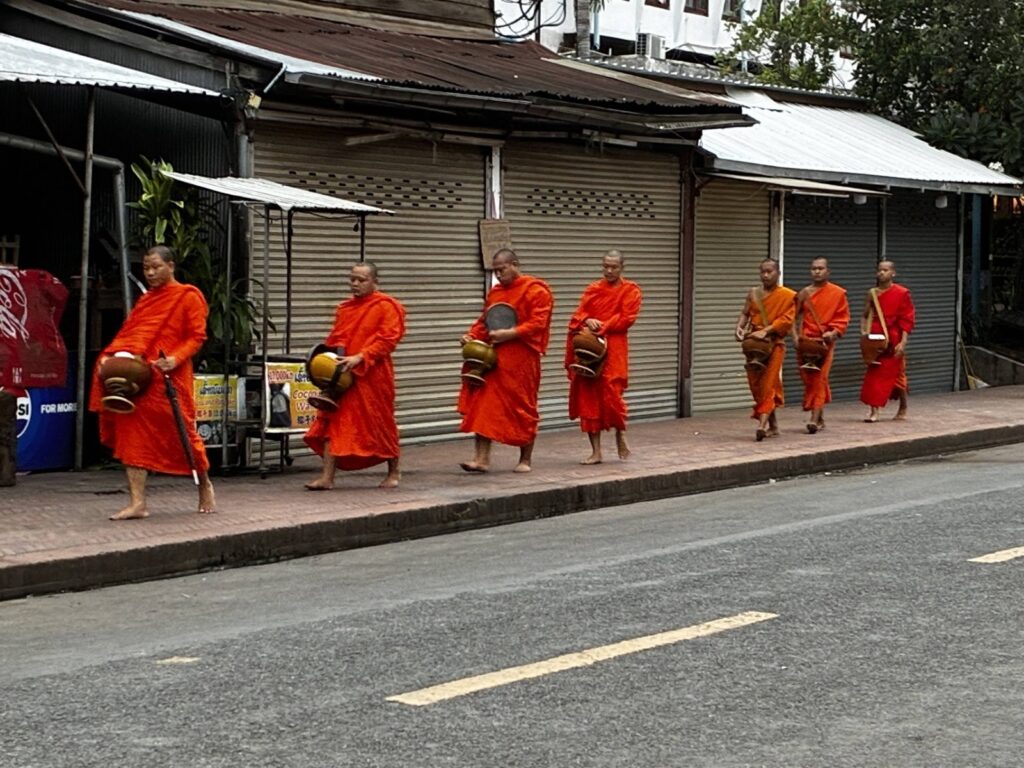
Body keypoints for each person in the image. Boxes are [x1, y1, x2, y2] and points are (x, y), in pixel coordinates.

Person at [88, 245, 215, 520]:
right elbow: (128, 336)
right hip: (139, 378)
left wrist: (175, 358)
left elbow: (197, 336)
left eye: (156, 267)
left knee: (184, 435)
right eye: (146, 268)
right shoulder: (146, 301)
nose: (150, 273)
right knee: (133, 435)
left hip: (170, 376)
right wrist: (109, 357)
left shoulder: (188, 296)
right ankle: (138, 503)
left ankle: (204, 485)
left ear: (171, 266)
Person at [304, 262, 406, 489]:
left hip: (373, 375)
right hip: (343, 375)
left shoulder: (387, 306)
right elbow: (335, 338)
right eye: (353, 279)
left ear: (375, 282)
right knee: (333, 421)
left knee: (381, 423)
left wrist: (361, 357)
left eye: (362, 280)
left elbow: (388, 339)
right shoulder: (345, 309)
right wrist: (326, 362)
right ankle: (327, 477)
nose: (356, 284)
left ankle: (394, 471)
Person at [458, 248, 553, 473]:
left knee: (523, 407)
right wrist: (470, 336)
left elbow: (538, 322)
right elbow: (485, 321)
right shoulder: (496, 292)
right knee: (483, 405)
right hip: (494, 358)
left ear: (515, 265)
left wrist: (510, 333)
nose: (499, 275)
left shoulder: (536, 290)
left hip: (522, 358)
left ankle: (525, 459)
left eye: (502, 269)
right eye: (496, 271)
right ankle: (481, 459)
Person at [565, 249, 642, 464]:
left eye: (613, 267)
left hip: (615, 347)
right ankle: (595, 451)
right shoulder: (593, 289)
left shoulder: (631, 290)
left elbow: (627, 318)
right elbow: (578, 314)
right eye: (605, 266)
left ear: (622, 268)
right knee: (588, 397)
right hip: (591, 350)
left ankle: (619, 431)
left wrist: (604, 326)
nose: (609, 270)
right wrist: (587, 320)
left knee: (612, 393)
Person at [735, 258, 796, 441]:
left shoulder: (787, 295)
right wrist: (739, 328)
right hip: (754, 346)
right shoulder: (753, 293)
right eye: (763, 272)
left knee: (768, 384)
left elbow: (787, 319)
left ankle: (762, 426)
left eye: (770, 271)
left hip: (774, 344)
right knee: (756, 385)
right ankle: (774, 425)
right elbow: (745, 313)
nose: (766, 275)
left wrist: (766, 331)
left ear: (778, 273)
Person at [793, 257, 850, 434]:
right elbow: (793, 318)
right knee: (809, 380)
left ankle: (813, 419)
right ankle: (820, 416)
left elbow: (843, 318)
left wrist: (833, 333)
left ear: (828, 272)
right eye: (813, 268)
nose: (817, 271)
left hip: (825, 344)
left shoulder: (838, 293)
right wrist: (795, 338)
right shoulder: (803, 293)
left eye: (820, 268)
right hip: (806, 343)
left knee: (820, 378)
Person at [860, 259, 915, 422]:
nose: (881, 273)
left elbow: (907, 319)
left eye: (885, 270)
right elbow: (865, 315)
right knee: (874, 374)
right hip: (876, 338)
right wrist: (864, 334)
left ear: (893, 273)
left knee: (898, 376)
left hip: (894, 337)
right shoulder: (872, 293)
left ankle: (903, 405)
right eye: (879, 270)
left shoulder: (902, 293)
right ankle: (874, 411)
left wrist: (903, 342)